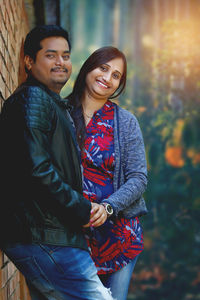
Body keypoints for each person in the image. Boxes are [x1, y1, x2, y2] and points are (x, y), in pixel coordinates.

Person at [0, 25, 113, 300]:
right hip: (46, 235)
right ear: (29, 61)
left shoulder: (49, 103)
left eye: (65, 55)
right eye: (51, 55)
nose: (61, 62)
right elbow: (36, 171)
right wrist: (82, 209)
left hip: (46, 233)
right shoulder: (33, 99)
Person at [67, 46, 148, 300]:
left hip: (119, 239)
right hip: (72, 239)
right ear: (90, 67)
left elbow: (138, 177)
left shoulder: (125, 122)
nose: (107, 78)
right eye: (103, 68)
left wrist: (109, 207)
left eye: (116, 75)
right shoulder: (60, 113)